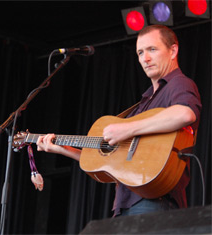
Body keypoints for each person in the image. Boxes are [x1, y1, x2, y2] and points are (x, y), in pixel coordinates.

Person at [36, 25, 201, 217]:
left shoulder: (179, 84)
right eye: (140, 52)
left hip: (154, 201)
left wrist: (127, 129)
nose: (144, 59)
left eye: (152, 50)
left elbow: (185, 114)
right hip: (127, 203)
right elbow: (109, 163)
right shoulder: (145, 102)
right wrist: (62, 148)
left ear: (173, 50)